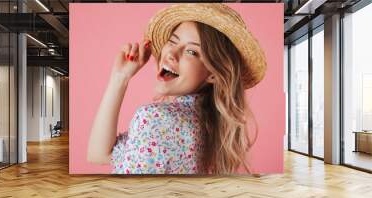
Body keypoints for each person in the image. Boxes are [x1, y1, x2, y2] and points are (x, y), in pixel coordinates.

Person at [87, 3, 267, 174]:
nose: (171, 54)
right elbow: (99, 155)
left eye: (191, 52)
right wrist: (120, 77)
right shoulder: (208, 123)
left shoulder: (155, 119)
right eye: (172, 42)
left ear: (213, 74)